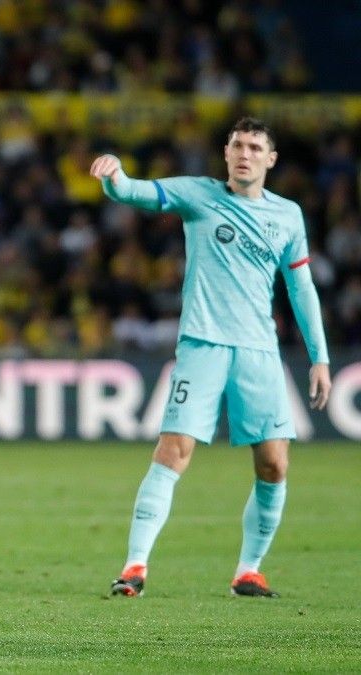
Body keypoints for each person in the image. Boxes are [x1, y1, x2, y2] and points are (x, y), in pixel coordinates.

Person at [89, 116, 332, 598]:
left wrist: (319, 357)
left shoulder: (288, 216)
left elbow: (301, 289)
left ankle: (249, 571)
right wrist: (115, 177)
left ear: (271, 159)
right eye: (238, 145)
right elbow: (137, 193)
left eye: (255, 147)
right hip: (202, 345)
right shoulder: (199, 195)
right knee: (173, 452)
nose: (245, 153)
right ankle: (134, 566)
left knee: (274, 465)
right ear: (226, 152)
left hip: (259, 352)